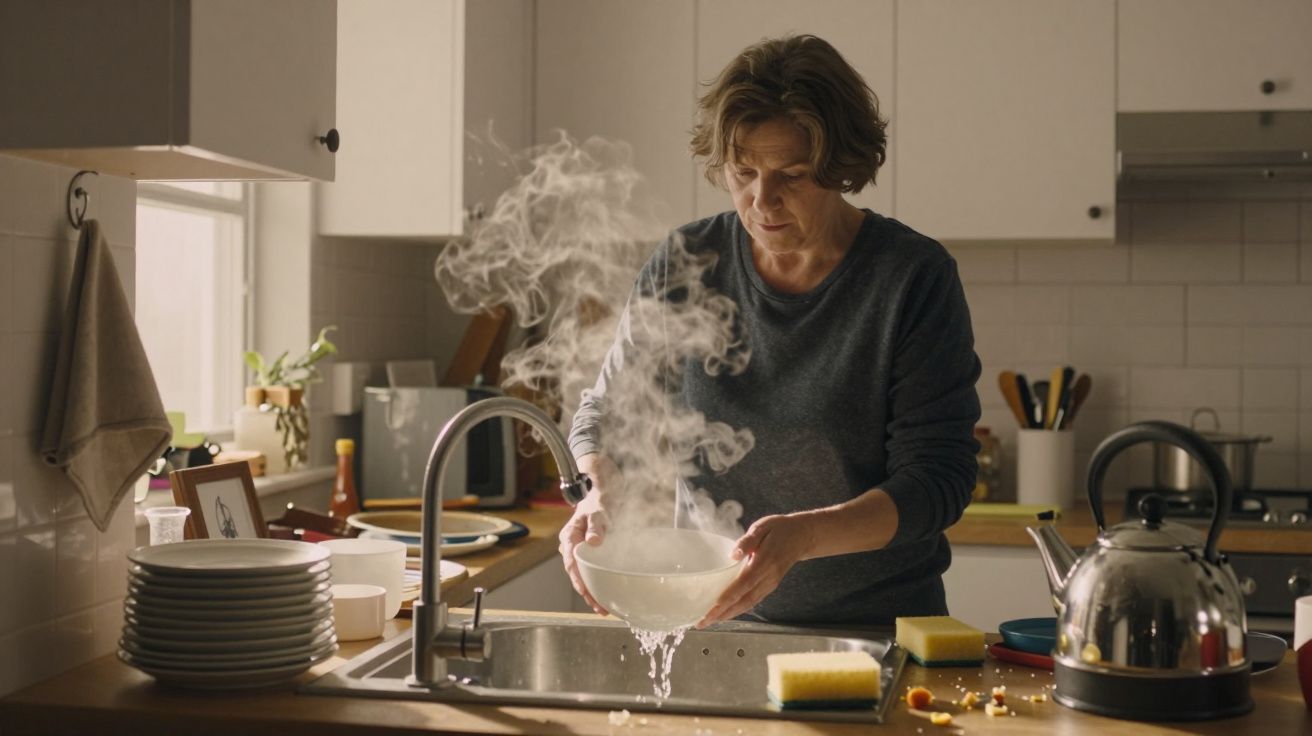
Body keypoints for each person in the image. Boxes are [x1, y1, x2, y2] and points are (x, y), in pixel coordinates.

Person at [558, 34, 981, 628]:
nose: (763, 200)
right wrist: (597, 490)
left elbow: (938, 480)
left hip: (873, 628)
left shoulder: (910, 278)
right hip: (706, 619)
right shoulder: (688, 260)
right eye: (743, 171)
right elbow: (604, 413)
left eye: (794, 175)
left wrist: (803, 538)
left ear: (841, 170)